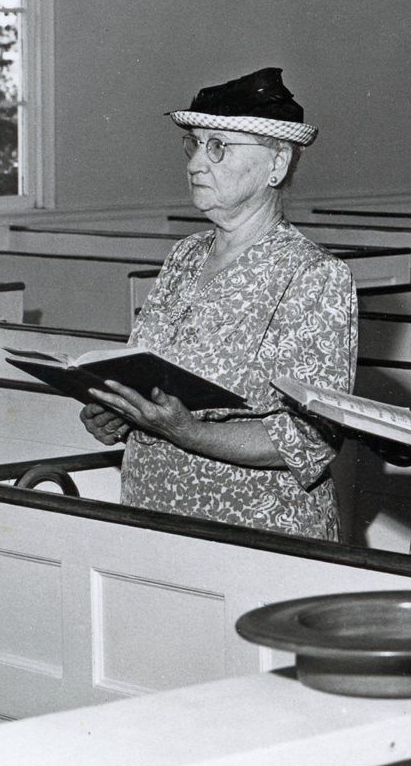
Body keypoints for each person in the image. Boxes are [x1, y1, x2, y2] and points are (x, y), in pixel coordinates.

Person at [76, 68, 358, 542]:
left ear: (277, 164)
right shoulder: (184, 255)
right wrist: (119, 412)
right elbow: (147, 374)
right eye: (193, 143)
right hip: (153, 512)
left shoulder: (314, 274)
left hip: (256, 530)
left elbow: (312, 438)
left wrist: (188, 432)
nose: (195, 163)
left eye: (219, 146)